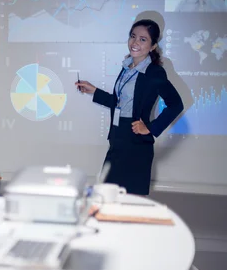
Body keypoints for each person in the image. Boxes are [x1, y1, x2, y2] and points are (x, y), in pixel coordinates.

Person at [75, 19, 184, 195]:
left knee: (129, 201)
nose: (135, 42)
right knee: (107, 197)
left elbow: (176, 104)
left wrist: (150, 127)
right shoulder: (127, 68)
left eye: (143, 39)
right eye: (133, 36)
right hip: (118, 139)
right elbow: (120, 103)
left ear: (153, 46)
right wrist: (94, 91)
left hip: (136, 144)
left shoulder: (154, 72)